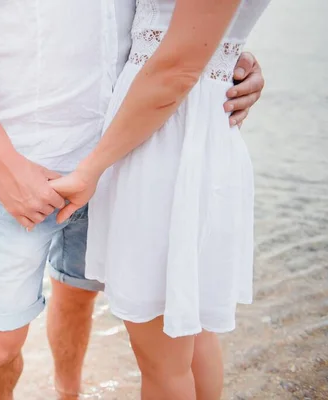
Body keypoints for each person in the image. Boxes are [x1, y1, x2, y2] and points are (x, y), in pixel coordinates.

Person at [0, 0, 266, 398]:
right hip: (16, 169)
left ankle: (68, 393)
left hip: (125, 168)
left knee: (82, 299)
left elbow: (181, 34)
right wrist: (0, 163)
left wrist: (224, 57)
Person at [50, 0, 270, 398]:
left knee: (162, 361)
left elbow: (176, 69)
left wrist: (91, 169)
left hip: (164, 145)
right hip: (178, 134)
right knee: (189, 334)